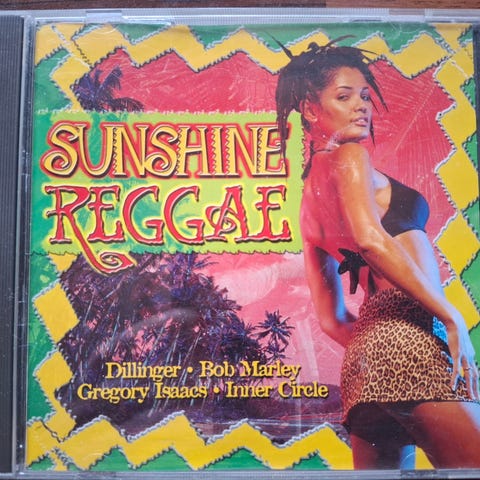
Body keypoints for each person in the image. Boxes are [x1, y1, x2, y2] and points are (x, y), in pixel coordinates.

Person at [275, 39, 480, 469]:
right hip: (411, 337)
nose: (361, 107)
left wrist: (377, 344)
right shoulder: (350, 156)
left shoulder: (307, 204)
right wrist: (448, 316)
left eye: (365, 96)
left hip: (363, 366)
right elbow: (369, 239)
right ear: (310, 109)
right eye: (344, 96)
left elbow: (331, 319)